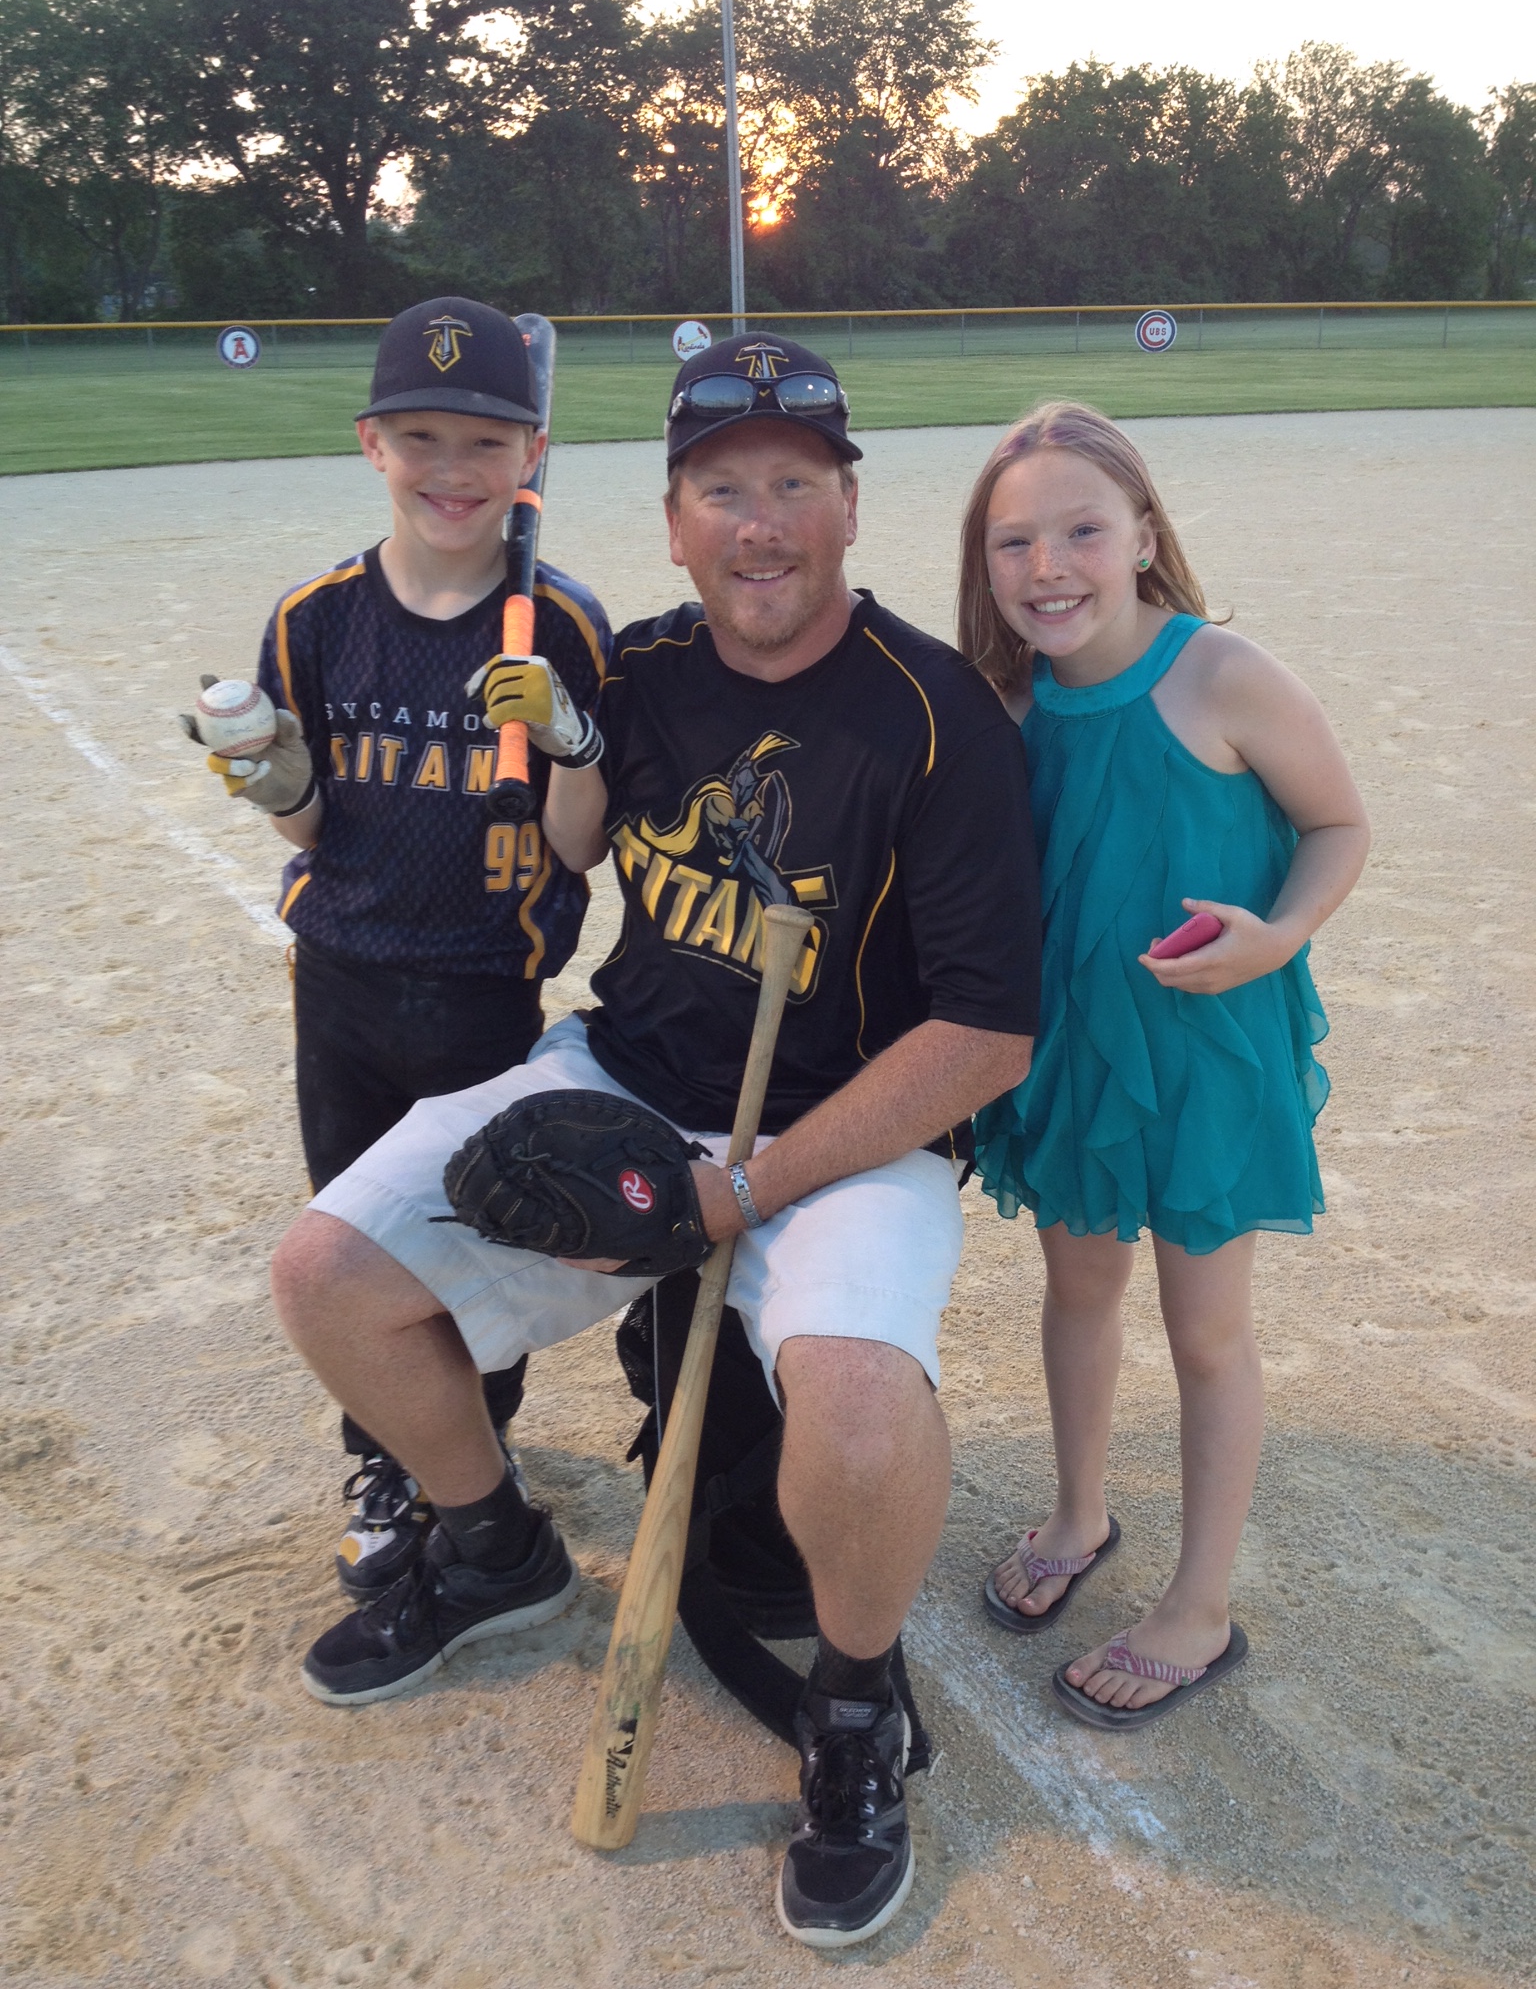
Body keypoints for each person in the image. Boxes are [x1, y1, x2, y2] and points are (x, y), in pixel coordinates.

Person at [267, 332, 1041, 1947]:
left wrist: (743, 1188)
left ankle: (851, 1709)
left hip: (844, 1134)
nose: (761, 525)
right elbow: (557, 835)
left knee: (858, 1408)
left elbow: (984, 1035)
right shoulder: (639, 672)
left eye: (795, 486)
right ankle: (492, 1548)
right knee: (329, 1272)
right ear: (676, 523)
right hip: (626, 1078)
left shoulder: (938, 717)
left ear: (849, 507)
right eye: (723, 490)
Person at [182, 297, 611, 1600]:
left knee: (477, 1236)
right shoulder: (316, 620)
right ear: (373, 443)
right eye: (421, 437)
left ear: (531, 455)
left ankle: (472, 1453)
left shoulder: (564, 625)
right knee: (359, 1235)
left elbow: (582, 848)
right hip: (345, 983)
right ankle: (386, 1459)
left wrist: (572, 740)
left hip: (487, 988)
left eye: (486, 441)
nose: (452, 469)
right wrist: (269, 775)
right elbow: (310, 823)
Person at [960, 402, 1369, 1728]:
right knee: (1078, 1290)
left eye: (1082, 529)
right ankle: (1080, 1515)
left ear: (1143, 533)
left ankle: (1199, 1608)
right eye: (1013, 541)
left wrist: (1281, 937)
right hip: (1075, 1057)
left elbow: (1339, 823)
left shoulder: (1222, 675)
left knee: (1206, 1333)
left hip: (1207, 1058)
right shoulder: (1006, 702)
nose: (1048, 566)